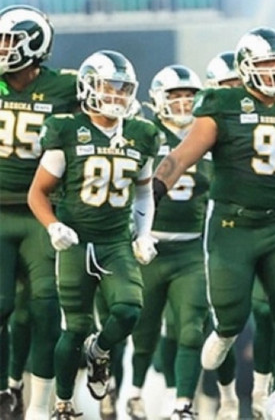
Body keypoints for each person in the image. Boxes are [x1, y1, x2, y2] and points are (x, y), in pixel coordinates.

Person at [153, 29, 275, 420]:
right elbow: (181, 157)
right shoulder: (224, 103)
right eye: (267, 63)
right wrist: (154, 193)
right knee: (231, 314)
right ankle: (226, 332)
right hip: (233, 223)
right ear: (246, 67)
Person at [28, 52, 160, 420]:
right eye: (109, 87)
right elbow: (37, 192)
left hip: (116, 240)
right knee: (75, 327)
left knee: (129, 310)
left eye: (124, 89)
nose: (117, 96)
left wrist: (144, 234)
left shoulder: (143, 134)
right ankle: (64, 404)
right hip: (76, 239)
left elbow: (146, 191)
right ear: (88, 86)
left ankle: (99, 352)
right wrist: (53, 225)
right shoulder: (67, 129)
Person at [0, 6, 75, 420]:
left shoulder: (67, 87)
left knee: (46, 308)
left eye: (9, 40)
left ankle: (40, 405)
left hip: (42, 214)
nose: (2, 48)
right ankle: (3, 391)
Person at [126, 66, 211, 420]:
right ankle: (134, 392)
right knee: (144, 329)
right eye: (174, 96)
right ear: (157, 100)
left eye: (188, 95)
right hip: (150, 246)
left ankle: (183, 405)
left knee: (191, 326)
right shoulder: (145, 134)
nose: (182, 102)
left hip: (191, 248)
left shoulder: (208, 134)